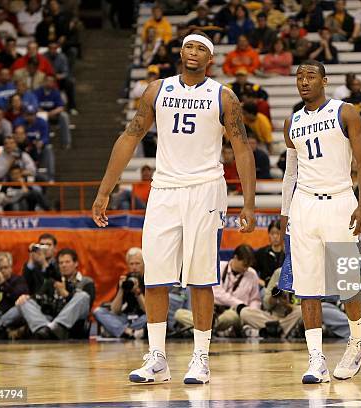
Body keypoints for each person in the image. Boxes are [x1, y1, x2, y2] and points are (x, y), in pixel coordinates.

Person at [91, 32, 256, 385]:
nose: (193, 53)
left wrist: (249, 202)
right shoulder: (157, 90)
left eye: (201, 49)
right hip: (164, 188)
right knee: (155, 276)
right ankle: (157, 358)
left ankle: (200, 358)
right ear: (180, 53)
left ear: (210, 59)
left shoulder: (223, 96)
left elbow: (242, 148)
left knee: (200, 278)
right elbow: (131, 136)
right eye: (189, 47)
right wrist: (105, 189)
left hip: (205, 189)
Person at [279, 60, 361, 383]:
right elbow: (290, 172)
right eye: (299, 76)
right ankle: (316, 359)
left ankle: (358, 340)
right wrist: (284, 213)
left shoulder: (344, 112)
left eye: (311, 76)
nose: (304, 81)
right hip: (304, 205)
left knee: (346, 280)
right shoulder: (291, 121)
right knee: (307, 287)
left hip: (339, 201)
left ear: (324, 80)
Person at [174, 245, 261, 336]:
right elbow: (216, 293)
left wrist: (249, 312)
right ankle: (209, 326)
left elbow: (255, 299)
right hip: (212, 311)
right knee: (179, 314)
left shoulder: (252, 274)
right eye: (244, 265)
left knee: (231, 317)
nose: (246, 268)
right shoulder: (218, 267)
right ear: (235, 258)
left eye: (248, 266)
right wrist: (239, 304)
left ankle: (206, 327)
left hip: (233, 313)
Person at [16, 248, 95, 340]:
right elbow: (38, 297)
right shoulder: (52, 282)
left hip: (75, 322)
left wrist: (65, 294)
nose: (64, 265)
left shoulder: (86, 281)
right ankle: (43, 329)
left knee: (83, 296)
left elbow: (87, 305)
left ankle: (56, 327)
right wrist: (27, 298)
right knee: (25, 301)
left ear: (76, 263)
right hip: (51, 319)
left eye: (67, 262)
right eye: (61, 263)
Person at [94, 248, 147, 339]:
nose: (134, 267)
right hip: (125, 318)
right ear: (128, 265)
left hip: (142, 317)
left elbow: (148, 310)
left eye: (137, 263)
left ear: (144, 264)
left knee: (151, 317)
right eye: (131, 264)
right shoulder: (125, 280)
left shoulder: (149, 279)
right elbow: (115, 310)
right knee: (98, 311)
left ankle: (118, 330)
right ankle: (131, 332)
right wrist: (121, 290)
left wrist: (138, 292)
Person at [255, 220, 285, 287]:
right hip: (266, 288)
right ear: (269, 234)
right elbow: (250, 271)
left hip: (284, 289)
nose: (275, 236)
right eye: (272, 233)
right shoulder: (261, 252)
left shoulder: (288, 254)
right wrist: (262, 283)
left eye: (278, 233)